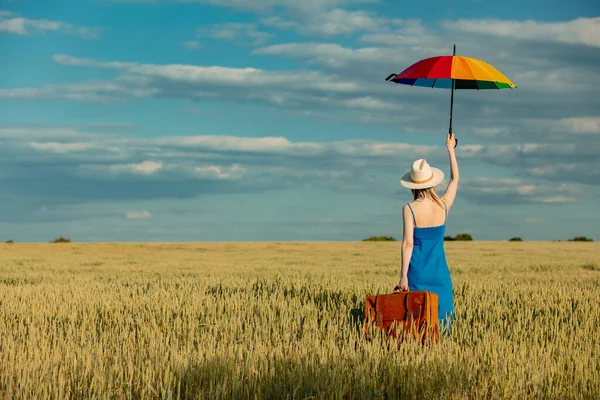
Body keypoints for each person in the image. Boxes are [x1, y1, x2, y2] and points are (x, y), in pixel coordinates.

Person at [393, 133, 459, 333]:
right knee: (443, 319)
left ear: (413, 186)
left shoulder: (410, 208)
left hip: (418, 272)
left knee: (417, 319)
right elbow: (455, 180)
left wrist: (403, 276)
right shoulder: (443, 206)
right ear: (432, 182)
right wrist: (451, 149)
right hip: (440, 273)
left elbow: (408, 244)